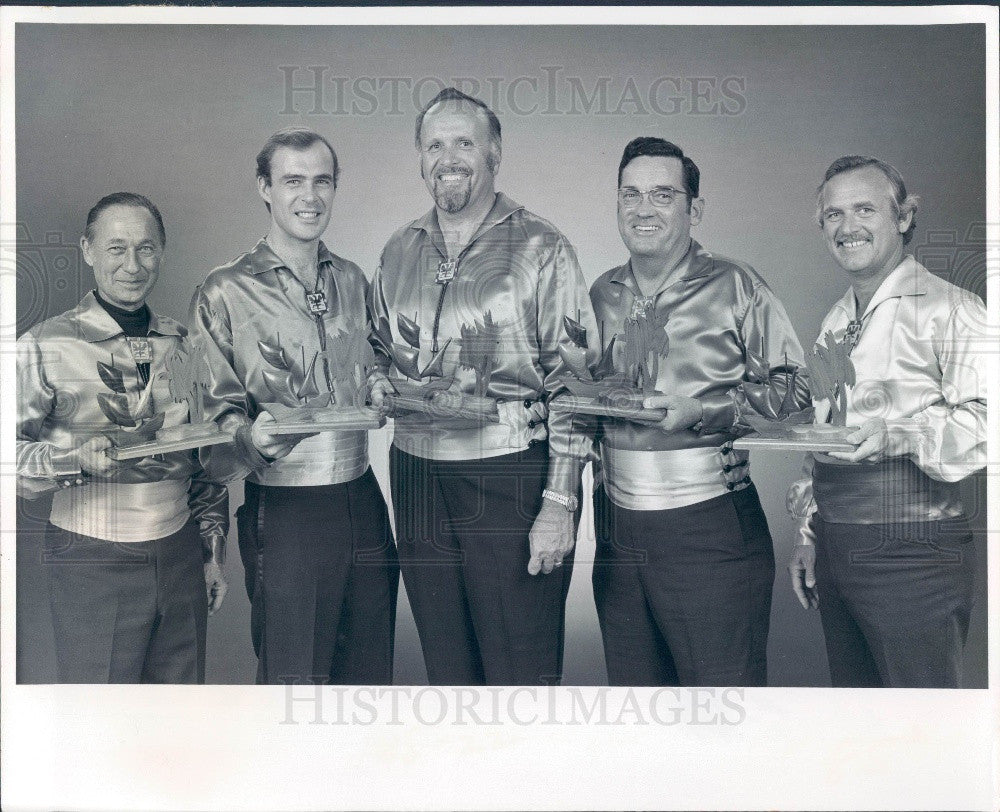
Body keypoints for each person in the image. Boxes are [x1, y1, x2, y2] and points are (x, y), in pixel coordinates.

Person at [368, 87, 598, 686]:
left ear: (494, 153)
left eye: (464, 142)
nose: (449, 157)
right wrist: (372, 380)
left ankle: (523, 782)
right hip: (415, 474)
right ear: (420, 158)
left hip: (510, 475)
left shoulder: (542, 247)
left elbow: (575, 382)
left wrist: (561, 499)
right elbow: (374, 345)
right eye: (435, 144)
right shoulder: (397, 251)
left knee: (517, 670)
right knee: (447, 667)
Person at [589, 137, 810, 687]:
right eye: (630, 195)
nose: (644, 209)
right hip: (617, 529)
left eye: (663, 195)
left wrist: (704, 411)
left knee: (720, 709)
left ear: (695, 209)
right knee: (636, 712)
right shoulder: (599, 294)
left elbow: (798, 393)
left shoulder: (736, 285)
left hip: (708, 526)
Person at [189, 128, 398, 685]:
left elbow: (374, 357)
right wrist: (248, 438)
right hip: (285, 511)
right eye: (293, 181)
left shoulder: (352, 279)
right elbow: (209, 416)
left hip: (363, 499)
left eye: (322, 181)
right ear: (265, 188)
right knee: (294, 683)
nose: (310, 197)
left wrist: (379, 383)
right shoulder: (224, 291)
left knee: (369, 676)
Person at [786, 156, 986, 688]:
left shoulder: (954, 308)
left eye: (865, 209)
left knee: (919, 724)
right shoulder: (836, 319)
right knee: (860, 720)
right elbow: (822, 440)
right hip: (836, 549)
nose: (847, 226)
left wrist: (899, 435)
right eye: (833, 215)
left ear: (903, 217)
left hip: (914, 552)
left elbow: (988, 422)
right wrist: (810, 534)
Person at [17, 192, 228, 683]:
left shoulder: (183, 346)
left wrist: (211, 550)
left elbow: (202, 456)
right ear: (88, 249)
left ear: (162, 252)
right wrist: (72, 460)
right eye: (116, 249)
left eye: (146, 249)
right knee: (104, 722)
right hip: (91, 557)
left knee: (177, 722)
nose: (132, 265)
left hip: (179, 556)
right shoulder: (45, 344)